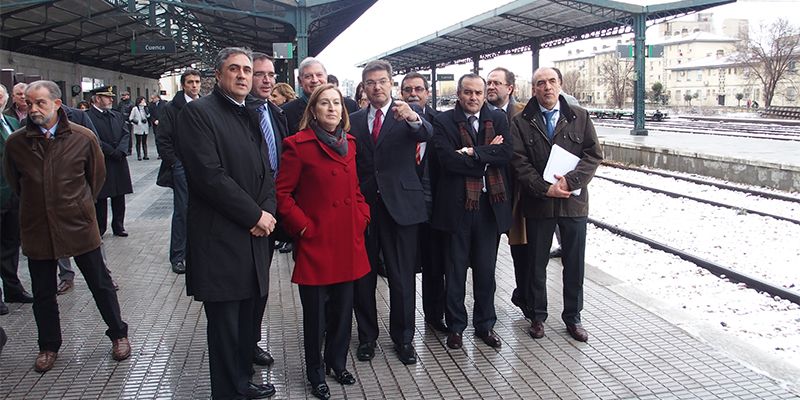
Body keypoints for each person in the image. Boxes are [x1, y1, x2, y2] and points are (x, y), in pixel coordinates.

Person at [3, 80, 131, 373]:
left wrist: (77, 205)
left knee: (100, 283)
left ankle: (118, 334)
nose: (33, 109)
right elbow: (15, 182)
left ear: (57, 104)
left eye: (40, 103)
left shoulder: (82, 138)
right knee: (43, 292)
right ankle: (48, 346)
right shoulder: (17, 143)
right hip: (38, 227)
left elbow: (95, 179)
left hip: (78, 224)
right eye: (29, 103)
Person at [175, 47, 277, 400]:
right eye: (234, 69)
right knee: (225, 325)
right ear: (217, 75)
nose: (243, 75)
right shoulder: (199, 113)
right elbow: (209, 177)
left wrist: (267, 210)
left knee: (246, 319)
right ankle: (228, 391)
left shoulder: (248, 113)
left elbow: (266, 171)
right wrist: (255, 215)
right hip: (221, 238)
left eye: (247, 70)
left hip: (253, 237)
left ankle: (241, 382)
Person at [276, 83, 370, 400]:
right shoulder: (298, 145)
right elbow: (282, 194)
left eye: (336, 103)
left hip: (347, 239)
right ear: (313, 110)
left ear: (343, 111)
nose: (332, 108)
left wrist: (362, 216)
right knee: (316, 316)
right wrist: (303, 228)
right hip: (317, 242)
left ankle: (336, 362)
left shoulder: (350, 144)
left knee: (343, 311)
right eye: (324, 103)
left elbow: (355, 189)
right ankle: (315, 372)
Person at [509, 67, 602, 343]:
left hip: (573, 204)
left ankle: (573, 317)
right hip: (539, 204)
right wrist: (545, 188)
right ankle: (537, 316)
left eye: (551, 81)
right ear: (533, 89)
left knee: (574, 263)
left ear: (560, 84)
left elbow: (593, 155)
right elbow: (518, 162)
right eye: (540, 83)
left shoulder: (580, 117)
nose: (547, 87)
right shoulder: (521, 121)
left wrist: (570, 182)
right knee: (536, 263)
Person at [351, 60, 432, 365]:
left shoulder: (406, 114)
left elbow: (427, 133)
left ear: (391, 83)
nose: (377, 87)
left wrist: (413, 117)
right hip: (365, 207)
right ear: (364, 86)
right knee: (363, 277)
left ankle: (404, 338)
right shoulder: (354, 120)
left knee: (402, 277)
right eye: (371, 82)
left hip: (401, 207)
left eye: (382, 81)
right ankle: (367, 337)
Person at [431, 74, 512, 350]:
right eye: (468, 92)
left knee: (486, 271)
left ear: (484, 94)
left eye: (478, 92)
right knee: (454, 272)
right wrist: (487, 155)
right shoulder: (443, 121)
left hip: (489, 208)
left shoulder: (498, 118)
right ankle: (456, 327)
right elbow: (448, 161)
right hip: (457, 209)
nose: (473, 97)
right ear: (459, 94)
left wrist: (471, 152)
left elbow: (507, 154)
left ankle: (485, 325)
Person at [248, 52, 289, 370]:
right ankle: (244, 345)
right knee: (247, 282)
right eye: (259, 74)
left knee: (261, 281)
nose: (266, 80)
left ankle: (251, 340)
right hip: (248, 212)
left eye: (270, 74)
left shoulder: (275, 112)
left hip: (272, 207)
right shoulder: (241, 113)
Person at [399, 72, 446, 333]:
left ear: (427, 93)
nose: (413, 94)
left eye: (418, 89)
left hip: (432, 205)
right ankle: (405, 323)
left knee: (434, 264)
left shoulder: (441, 121)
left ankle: (434, 315)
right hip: (402, 206)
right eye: (408, 90)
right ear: (401, 93)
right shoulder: (393, 119)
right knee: (404, 267)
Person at [486, 67, 530, 314]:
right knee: (486, 258)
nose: (491, 87)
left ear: (510, 88)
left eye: (497, 83)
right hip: (491, 194)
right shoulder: (479, 114)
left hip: (519, 194)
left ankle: (525, 300)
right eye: (489, 83)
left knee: (523, 253)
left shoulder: (524, 114)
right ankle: (486, 310)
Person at [156, 69, 201, 275]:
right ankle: (178, 256)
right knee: (182, 210)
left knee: (202, 210)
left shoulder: (205, 105)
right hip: (182, 165)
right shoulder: (171, 108)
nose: (194, 85)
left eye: (197, 81)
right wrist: (175, 163)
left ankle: (197, 253)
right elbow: (163, 138)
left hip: (202, 165)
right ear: (183, 85)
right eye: (190, 82)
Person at [0, 84, 34, 316]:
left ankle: (12, 288)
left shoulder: (11, 122)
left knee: (11, 244)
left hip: (13, 194)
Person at [87, 86, 133, 237]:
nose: (111, 100)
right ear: (97, 98)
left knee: (119, 195)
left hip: (119, 160)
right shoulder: (88, 117)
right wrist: (110, 151)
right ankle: (100, 227)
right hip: (102, 160)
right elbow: (94, 138)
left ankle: (119, 226)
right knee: (101, 196)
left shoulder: (116, 115)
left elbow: (126, 134)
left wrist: (121, 150)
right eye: (107, 97)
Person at [281, 57, 328, 136]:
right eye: (308, 76)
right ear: (300, 81)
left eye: (319, 75)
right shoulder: (286, 113)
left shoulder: (348, 106)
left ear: (326, 77)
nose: (315, 80)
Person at [128, 96, 151, 160]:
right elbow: (131, 118)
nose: (144, 102)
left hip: (145, 127)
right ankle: (139, 155)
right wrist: (137, 122)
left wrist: (147, 111)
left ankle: (145, 155)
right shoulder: (135, 109)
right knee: (138, 141)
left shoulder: (145, 108)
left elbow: (148, 116)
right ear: (139, 101)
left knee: (144, 141)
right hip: (138, 127)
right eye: (143, 101)